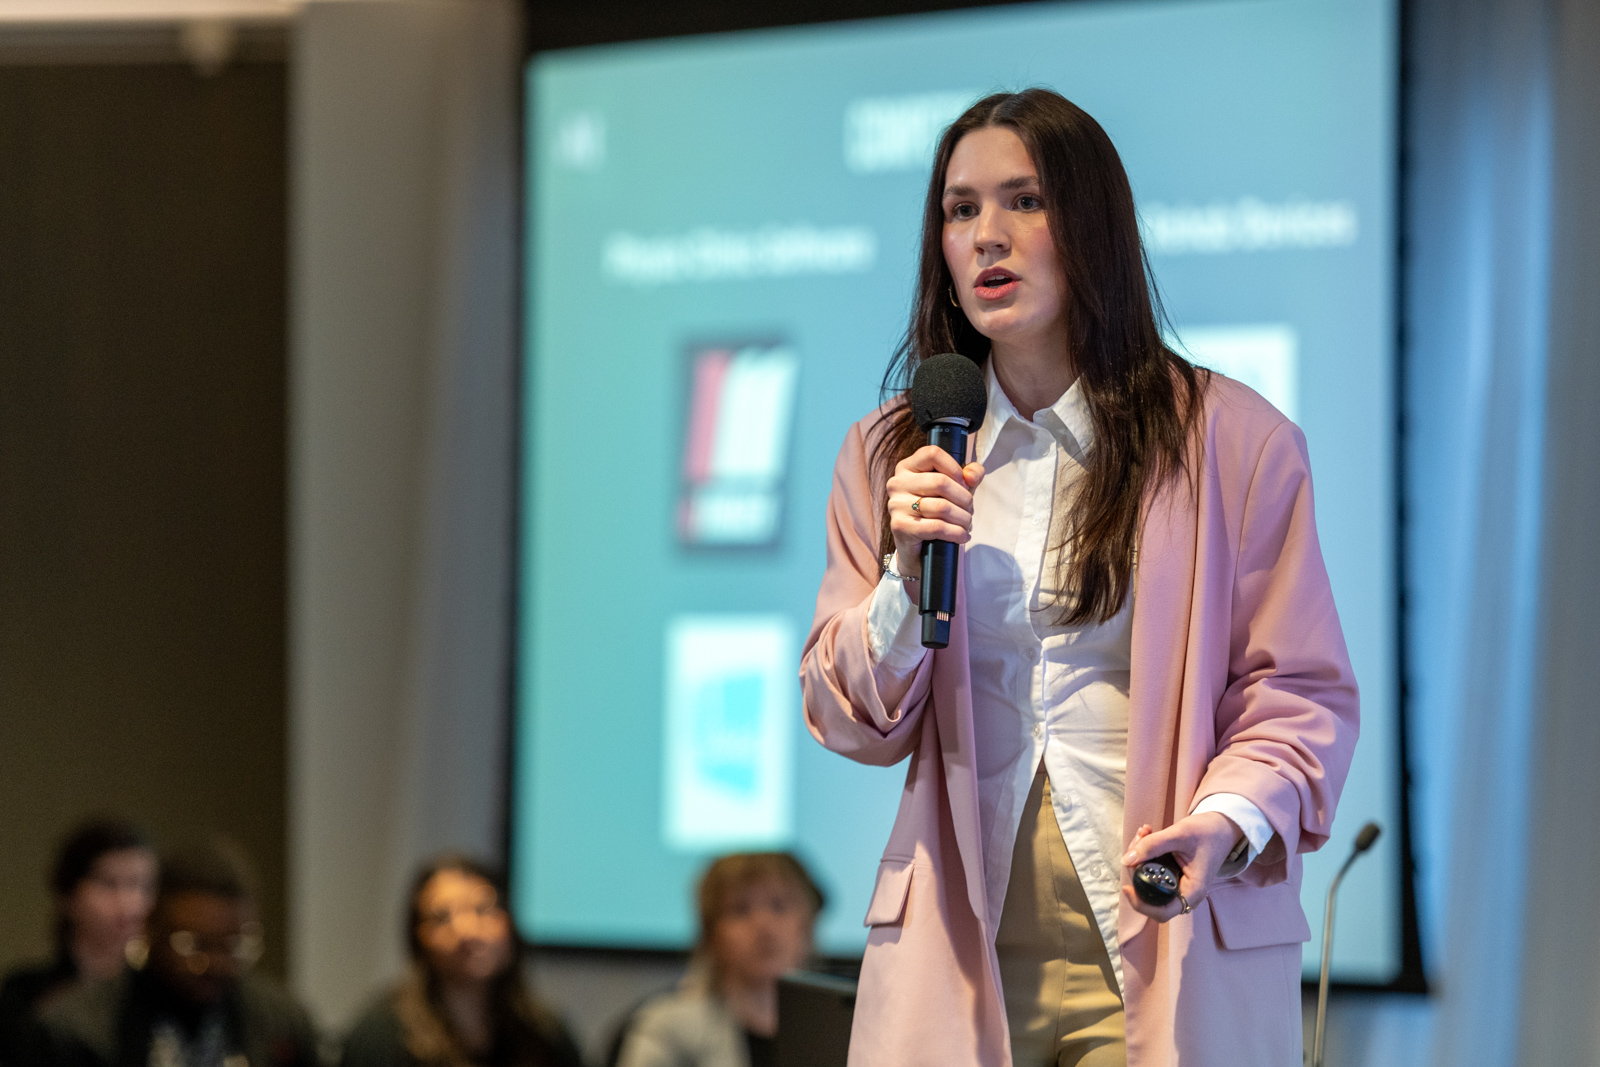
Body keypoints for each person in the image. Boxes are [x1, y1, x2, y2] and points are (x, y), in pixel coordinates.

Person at [800, 88, 1359, 1067]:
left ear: (1092, 224)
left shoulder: (1233, 439)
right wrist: (902, 573)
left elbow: (1296, 693)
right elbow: (845, 709)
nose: (986, 236)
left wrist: (1223, 824)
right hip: (962, 943)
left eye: (1024, 200)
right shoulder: (890, 451)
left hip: (1163, 927)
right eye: (960, 209)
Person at [36, 840, 317, 1067]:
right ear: (150, 928)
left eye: (235, 945)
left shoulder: (281, 1022)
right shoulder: (79, 1030)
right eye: (194, 944)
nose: (216, 963)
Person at [339, 856, 581, 1067]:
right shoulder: (381, 1036)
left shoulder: (545, 1033)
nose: (467, 930)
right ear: (418, 938)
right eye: (443, 917)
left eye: (483, 909)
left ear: (510, 926)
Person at [613, 853, 823, 1067]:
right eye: (741, 910)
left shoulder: (838, 1027)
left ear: (807, 925)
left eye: (779, 906)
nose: (764, 926)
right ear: (711, 935)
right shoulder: (667, 1029)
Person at [0, 820, 158, 1067]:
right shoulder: (26, 995)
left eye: (142, 886)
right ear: (68, 894)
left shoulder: (161, 995)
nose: (130, 905)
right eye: (109, 884)